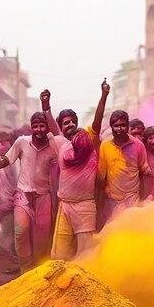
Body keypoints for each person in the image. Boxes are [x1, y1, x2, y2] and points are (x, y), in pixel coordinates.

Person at [43, 80, 109, 259]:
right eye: (66, 123)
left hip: (85, 206)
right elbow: (54, 130)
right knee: (59, 255)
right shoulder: (62, 145)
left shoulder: (89, 143)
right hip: (65, 206)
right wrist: (46, 107)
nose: (70, 125)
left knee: (85, 255)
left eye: (73, 122)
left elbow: (97, 121)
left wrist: (103, 96)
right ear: (62, 128)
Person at [0, 112, 58, 272]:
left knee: (41, 237)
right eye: (35, 126)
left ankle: (37, 269)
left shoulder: (53, 146)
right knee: (21, 231)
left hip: (44, 196)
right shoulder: (22, 142)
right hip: (23, 194)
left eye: (42, 126)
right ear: (31, 127)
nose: (38, 129)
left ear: (47, 127)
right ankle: (25, 269)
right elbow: (9, 158)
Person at [98, 110, 151, 222]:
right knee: (112, 233)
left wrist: (144, 199)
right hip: (112, 200)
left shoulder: (138, 145)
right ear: (111, 127)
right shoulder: (105, 146)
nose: (119, 129)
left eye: (122, 125)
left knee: (131, 231)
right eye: (116, 125)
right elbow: (101, 176)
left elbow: (145, 173)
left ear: (127, 126)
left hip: (132, 199)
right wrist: (103, 198)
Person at [0, 131, 19, 274]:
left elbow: (16, 180)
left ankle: (15, 262)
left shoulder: (12, 160)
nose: (0, 146)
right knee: (7, 235)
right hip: (5, 202)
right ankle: (15, 260)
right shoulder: (1, 159)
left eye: (3, 143)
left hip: (12, 202)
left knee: (11, 234)